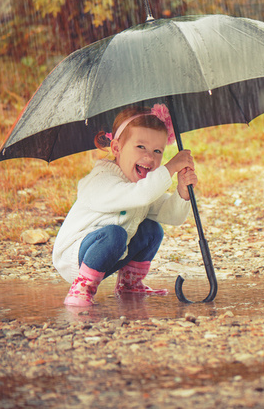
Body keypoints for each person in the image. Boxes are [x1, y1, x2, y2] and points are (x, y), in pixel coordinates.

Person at [52, 104, 197, 306]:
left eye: (158, 151)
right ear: (116, 148)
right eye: (141, 147)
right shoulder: (101, 180)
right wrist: (171, 167)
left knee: (152, 229)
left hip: (112, 254)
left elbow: (171, 215)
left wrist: (182, 191)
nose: (150, 157)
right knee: (115, 234)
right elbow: (141, 195)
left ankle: (129, 284)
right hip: (77, 257)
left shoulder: (140, 186)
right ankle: (81, 288)